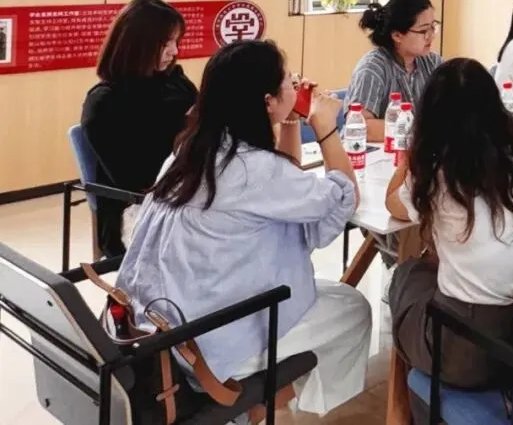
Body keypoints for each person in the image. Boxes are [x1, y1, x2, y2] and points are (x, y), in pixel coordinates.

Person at [116, 40, 372, 417]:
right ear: (267, 100)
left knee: (327, 297)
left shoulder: (190, 150)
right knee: (353, 308)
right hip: (209, 341)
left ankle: (271, 399)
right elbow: (344, 195)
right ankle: (313, 406)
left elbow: (282, 181)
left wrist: (289, 121)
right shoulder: (254, 170)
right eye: (287, 80)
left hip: (161, 325)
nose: (296, 83)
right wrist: (326, 130)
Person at [386, 58, 513, 389]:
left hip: (471, 353)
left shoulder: (439, 177)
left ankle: (403, 405)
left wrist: (413, 155)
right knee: (435, 265)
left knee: (406, 275)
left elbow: (392, 202)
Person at [81, 0, 197, 257]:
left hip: (187, 193)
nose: (174, 51)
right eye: (166, 43)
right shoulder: (105, 102)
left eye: (176, 42)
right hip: (139, 208)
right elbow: (135, 179)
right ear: (138, 45)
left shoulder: (175, 82)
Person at [345, 0, 442, 142]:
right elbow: (362, 126)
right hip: (374, 153)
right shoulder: (372, 68)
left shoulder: (432, 62)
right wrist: (420, 131)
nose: (431, 36)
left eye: (433, 27)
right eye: (424, 30)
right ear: (397, 35)